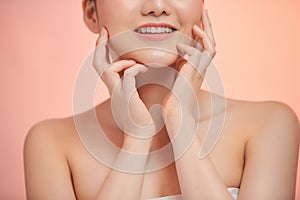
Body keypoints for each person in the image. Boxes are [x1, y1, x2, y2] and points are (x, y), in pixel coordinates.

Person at [24, 0, 300, 199]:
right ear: (91, 12)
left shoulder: (270, 125)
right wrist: (137, 138)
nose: (157, 6)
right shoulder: (51, 143)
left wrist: (181, 124)